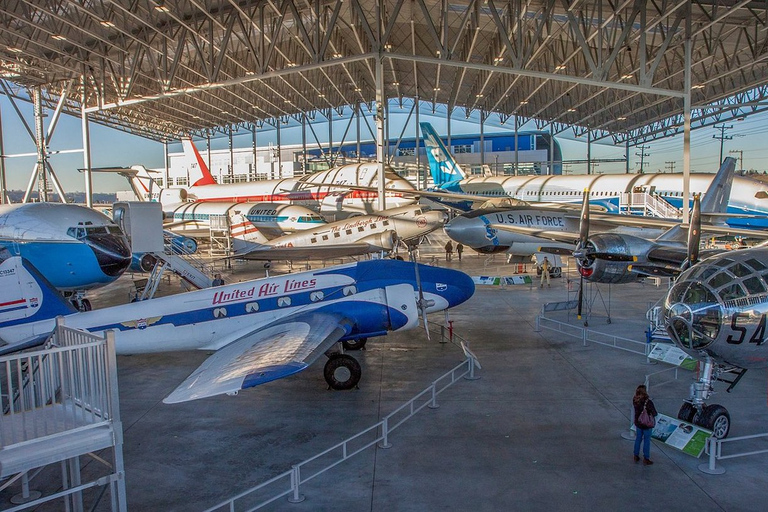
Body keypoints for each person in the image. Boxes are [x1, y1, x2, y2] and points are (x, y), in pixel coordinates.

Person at [632, 384, 657, 465]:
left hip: (638, 423)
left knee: (638, 439)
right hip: (646, 425)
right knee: (646, 441)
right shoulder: (648, 402)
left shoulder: (635, 400)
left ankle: (636, 455)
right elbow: (654, 413)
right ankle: (646, 458)